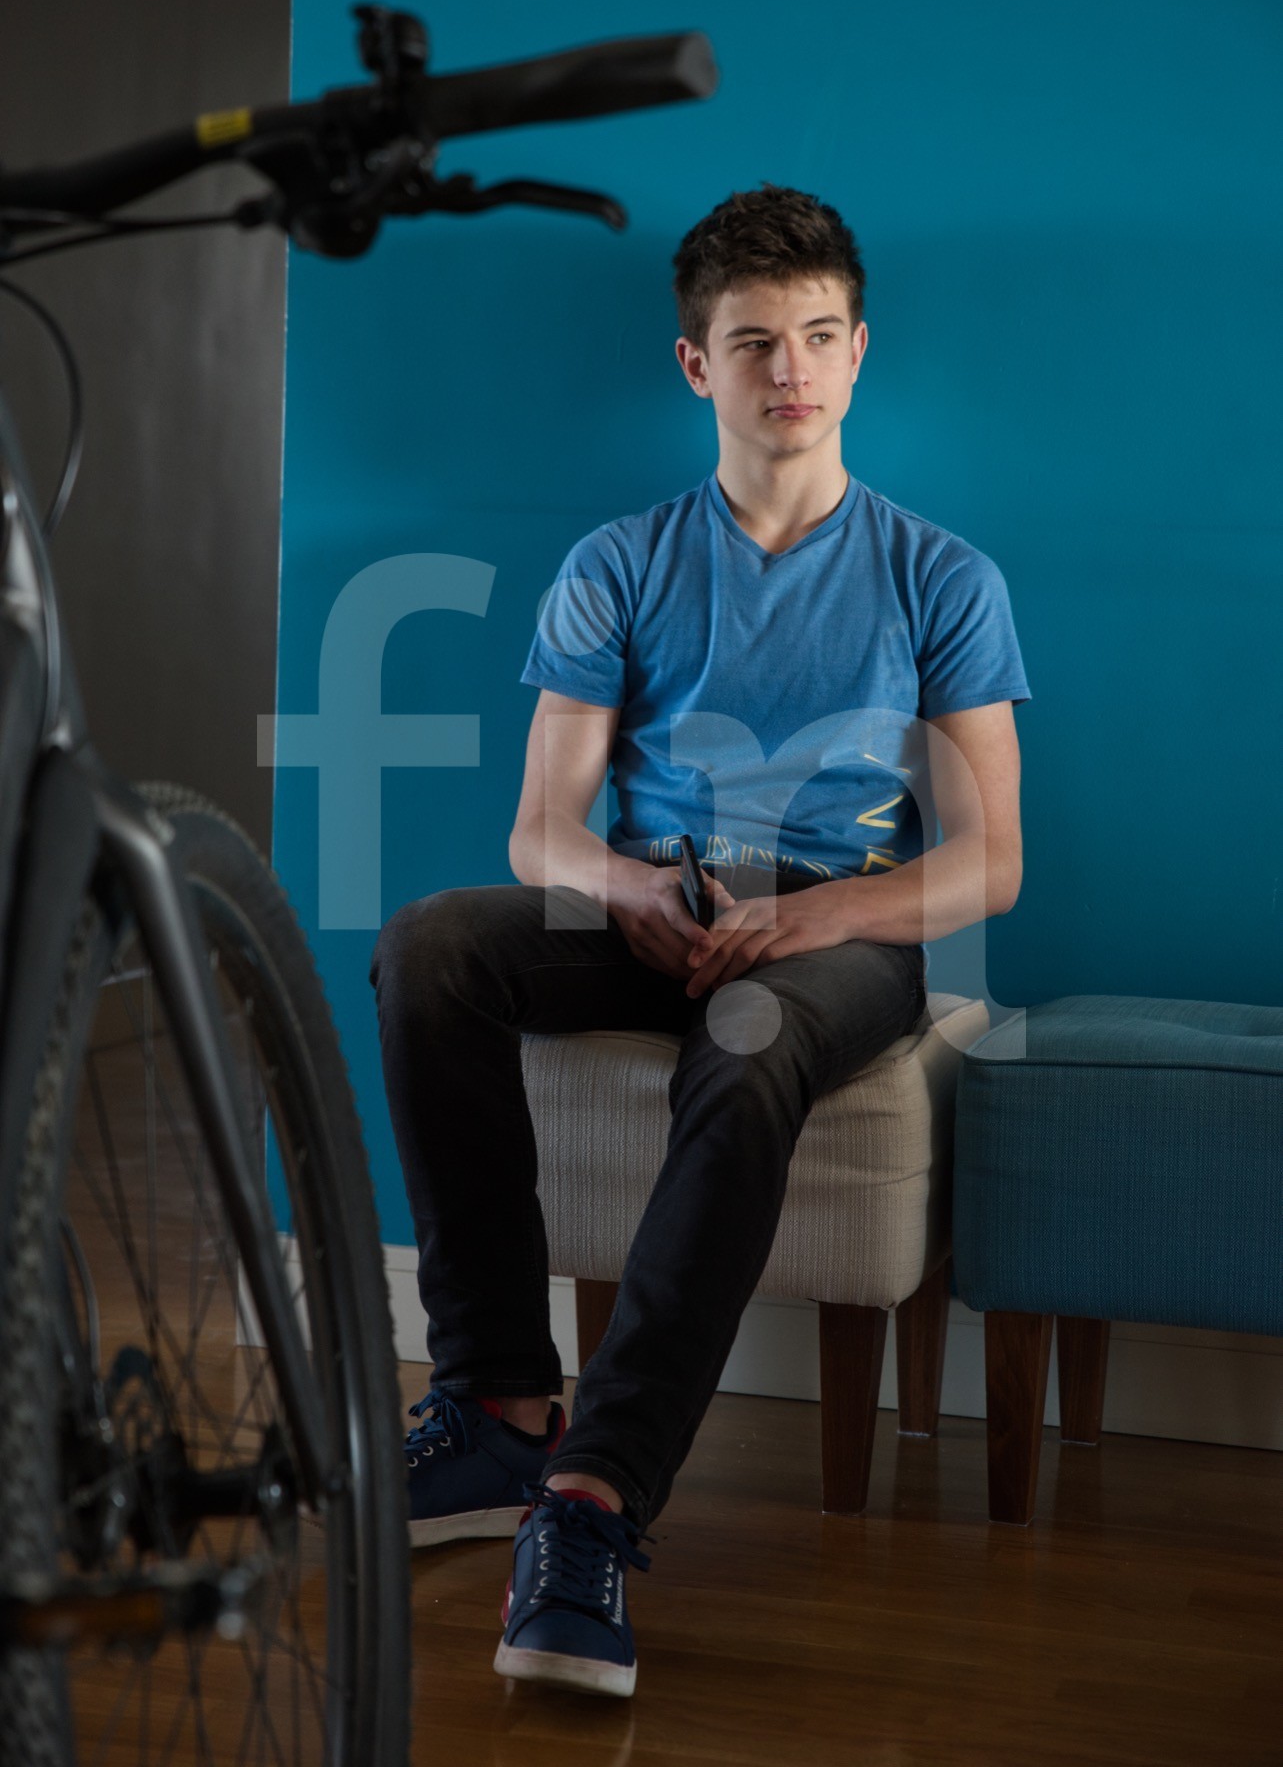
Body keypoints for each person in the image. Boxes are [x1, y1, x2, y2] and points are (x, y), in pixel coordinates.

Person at [370, 182, 1031, 1699]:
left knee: (744, 1052)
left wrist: (805, 920)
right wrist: (629, 892)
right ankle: (492, 1404)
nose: (787, 371)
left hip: (847, 927)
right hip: (664, 903)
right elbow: (539, 832)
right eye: (752, 343)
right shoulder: (621, 562)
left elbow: (990, 861)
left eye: (814, 338)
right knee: (429, 947)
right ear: (697, 365)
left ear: (859, 352)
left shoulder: (944, 578)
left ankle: (593, 1503)